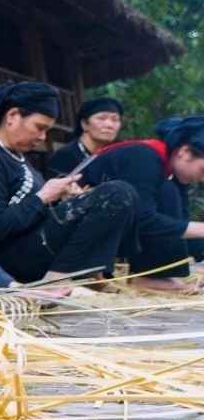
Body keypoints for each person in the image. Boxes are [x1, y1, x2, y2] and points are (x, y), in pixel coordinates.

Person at [0, 82, 136, 288]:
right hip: (7, 258)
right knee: (115, 193)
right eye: (39, 127)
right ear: (12, 116)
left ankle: (83, 274)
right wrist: (44, 196)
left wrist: (63, 200)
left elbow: (32, 212)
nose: (42, 137)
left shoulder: (18, 157)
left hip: (31, 246)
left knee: (121, 193)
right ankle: (56, 281)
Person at [79, 116, 204, 293]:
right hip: (75, 233)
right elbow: (143, 219)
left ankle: (157, 276)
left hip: (109, 231)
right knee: (167, 193)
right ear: (185, 151)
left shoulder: (167, 168)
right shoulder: (143, 156)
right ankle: (149, 277)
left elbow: (182, 222)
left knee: (170, 193)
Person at [49, 97, 124, 177]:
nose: (109, 125)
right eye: (102, 118)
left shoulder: (114, 157)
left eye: (115, 119)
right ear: (84, 124)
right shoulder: (65, 157)